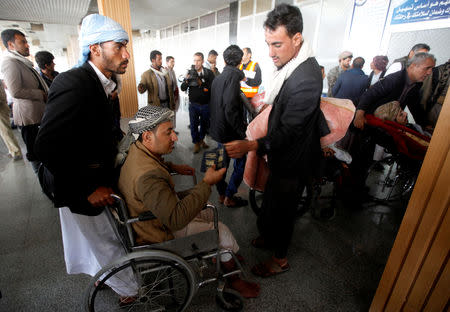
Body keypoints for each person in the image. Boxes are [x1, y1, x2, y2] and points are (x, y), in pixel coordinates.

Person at [34, 14, 137, 302]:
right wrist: (87, 189)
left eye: (125, 47)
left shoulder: (101, 83)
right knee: (105, 238)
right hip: (77, 182)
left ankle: (106, 276)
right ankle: (131, 291)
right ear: (95, 48)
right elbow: (46, 146)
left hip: (84, 175)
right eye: (118, 47)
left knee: (89, 237)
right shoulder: (75, 83)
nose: (126, 54)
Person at [118, 105, 260, 298]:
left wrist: (170, 166)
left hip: (151, 217)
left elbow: (151, 165)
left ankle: (227, 254)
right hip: (159, 232)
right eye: (169, 132)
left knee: (210, 213)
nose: (175, 137)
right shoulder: (148, 177)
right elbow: (175, 219)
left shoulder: (136, 150)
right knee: (222, 230)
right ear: (147, 137)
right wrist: (206, 183)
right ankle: (234, 278)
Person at [225, 4, 324, 277]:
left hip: (293, 161)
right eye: (268, 44)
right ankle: (268, 237)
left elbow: (289, 131)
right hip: (281, 157)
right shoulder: (292, 65)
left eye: (277, 44)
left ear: (297, 38)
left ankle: (279, 260)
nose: (271, 53)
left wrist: (253, 145)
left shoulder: (306, 78)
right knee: (270, 202)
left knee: (283, 212)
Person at [1, 29, 48, 173]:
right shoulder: (10, 63)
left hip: (36, 113)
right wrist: (41, 93)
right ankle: (44, 183)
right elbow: (15, 91)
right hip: (29, 117)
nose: (27, 45)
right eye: (23, 42)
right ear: (11, 44)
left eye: (26, 41)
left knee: (43, 150)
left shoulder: (22, 62)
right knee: (35, 154)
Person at [209, 45, 249, 208]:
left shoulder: (218, 77)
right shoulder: (233, 79)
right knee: (240, 163)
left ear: (224, 60)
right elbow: (230, 109)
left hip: (218, 130)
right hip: (230, 132)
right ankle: (229, 196)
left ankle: (221, 194)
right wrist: (242, 132)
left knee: (220, 163)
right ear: (240, 61)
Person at [354, 52, 436, 130]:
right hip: (369, 120)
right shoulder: (395, 79)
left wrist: (425, 125)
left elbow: (415, 107)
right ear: (413, 66)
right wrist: (359, 115)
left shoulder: (416, 85)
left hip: (385, 123)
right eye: (427, 68)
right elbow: (369, 94)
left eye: (432, 69)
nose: (429, 72)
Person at [181, 52, 215, 154]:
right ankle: (196, 142)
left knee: (205, 125)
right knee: (194, 125)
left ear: (203, 61)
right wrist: (186, 80)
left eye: (198, 60)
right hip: (193, 105)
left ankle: (201, 140)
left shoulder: (209, 73)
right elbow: (183, 88)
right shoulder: (190, 73)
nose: (196, 63)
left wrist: (202, 83)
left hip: (205, 105)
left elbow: (213, 87)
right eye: (194, 60)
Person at [0, 79, 22, 160]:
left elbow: (1, 98)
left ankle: (16, 152)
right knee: (4, 133)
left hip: (1, 109)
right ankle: (12, 150)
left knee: (6, 132)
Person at [163, 55, 180, 133]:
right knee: (169, 114)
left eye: (174, 61)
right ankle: (168, 130)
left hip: (174, 94)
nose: (173, 63)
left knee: (173, 113)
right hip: (169, 96)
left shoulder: (172, 70)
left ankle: (173, 129)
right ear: (167, 62)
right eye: (171, 61)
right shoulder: (165, 71)